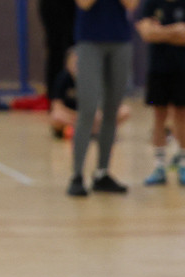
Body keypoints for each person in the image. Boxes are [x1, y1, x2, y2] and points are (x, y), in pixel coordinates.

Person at [67, 0, 139, 198]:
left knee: (112, 109)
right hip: (89, 40)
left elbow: (131, 4)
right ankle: (76, 175)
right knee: (88, 107)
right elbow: (84, 3)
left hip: (120, 40)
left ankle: (102, 173)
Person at [136, 0, 185, 188]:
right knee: (158, 117)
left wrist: (161, 32)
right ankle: (159, 167)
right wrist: (176, 30)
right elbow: (147, 34)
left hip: (184, 68)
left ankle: (184, 166)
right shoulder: (151, 3)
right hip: (158, 69)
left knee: (182, 117)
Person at [49, 47, 132, 139]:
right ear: (67, 64)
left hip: (93, 118)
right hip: (73, 117)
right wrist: (77, 117)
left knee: (124, 111)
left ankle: (93, 131)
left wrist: (98, 115)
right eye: (74, 63)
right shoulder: (62, 79)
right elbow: (57, 106)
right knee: (56, 116)